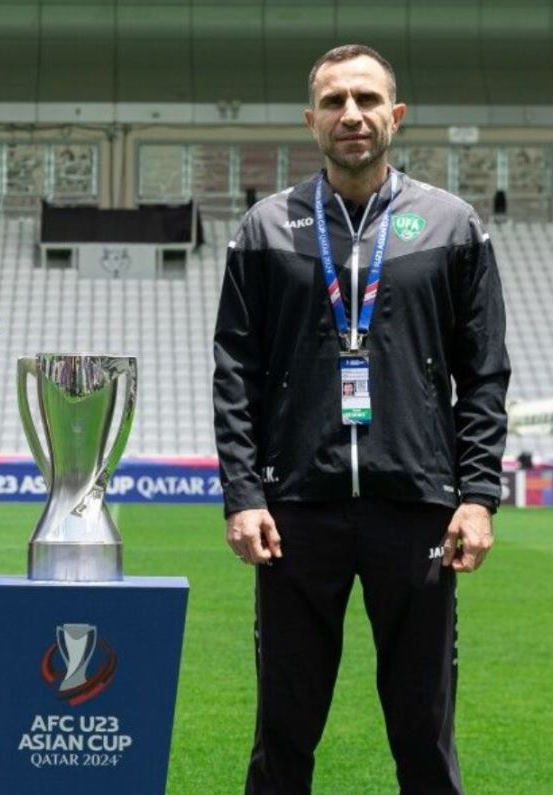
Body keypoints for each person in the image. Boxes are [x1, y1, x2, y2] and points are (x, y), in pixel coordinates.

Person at [212, 44, 510, 795]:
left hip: (417, 505)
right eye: (335, 101)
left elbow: (483, 373)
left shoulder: (453, 224)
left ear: (395, 115)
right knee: (284, 728)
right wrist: (244, 494)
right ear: (310, 120)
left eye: (368, 99)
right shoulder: (265, 227)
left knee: (423, 729)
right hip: (295, 510)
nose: (352, 114)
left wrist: (478, 495)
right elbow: (235, 373)